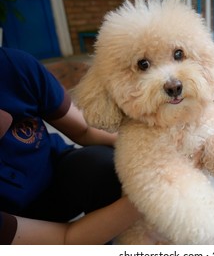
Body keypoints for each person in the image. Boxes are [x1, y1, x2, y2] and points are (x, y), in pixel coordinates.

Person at [0, 47, 140, 244]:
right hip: (16, 228)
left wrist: (145, 149)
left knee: (103, 165)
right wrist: (147, 198)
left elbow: (84, 129)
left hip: (54, 177)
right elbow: (66, 239)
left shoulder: (11, 66)